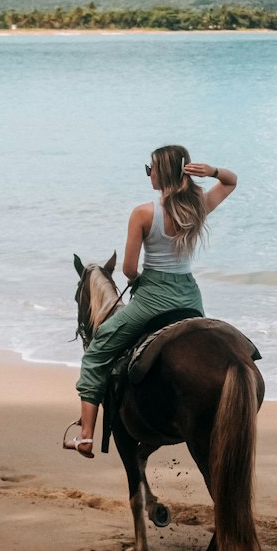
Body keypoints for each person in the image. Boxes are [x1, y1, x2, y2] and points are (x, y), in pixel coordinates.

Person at [64, 144, 237, 458]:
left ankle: (86, 435)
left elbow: (129, 268)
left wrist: (138, 282)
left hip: (153, 299)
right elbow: (230, 181)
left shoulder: (144, 213)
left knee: (97, 351)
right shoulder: (197, 205)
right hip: (190, 300)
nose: (149, 174)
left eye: (151, 169)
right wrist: (211, 171)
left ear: (162, 172)